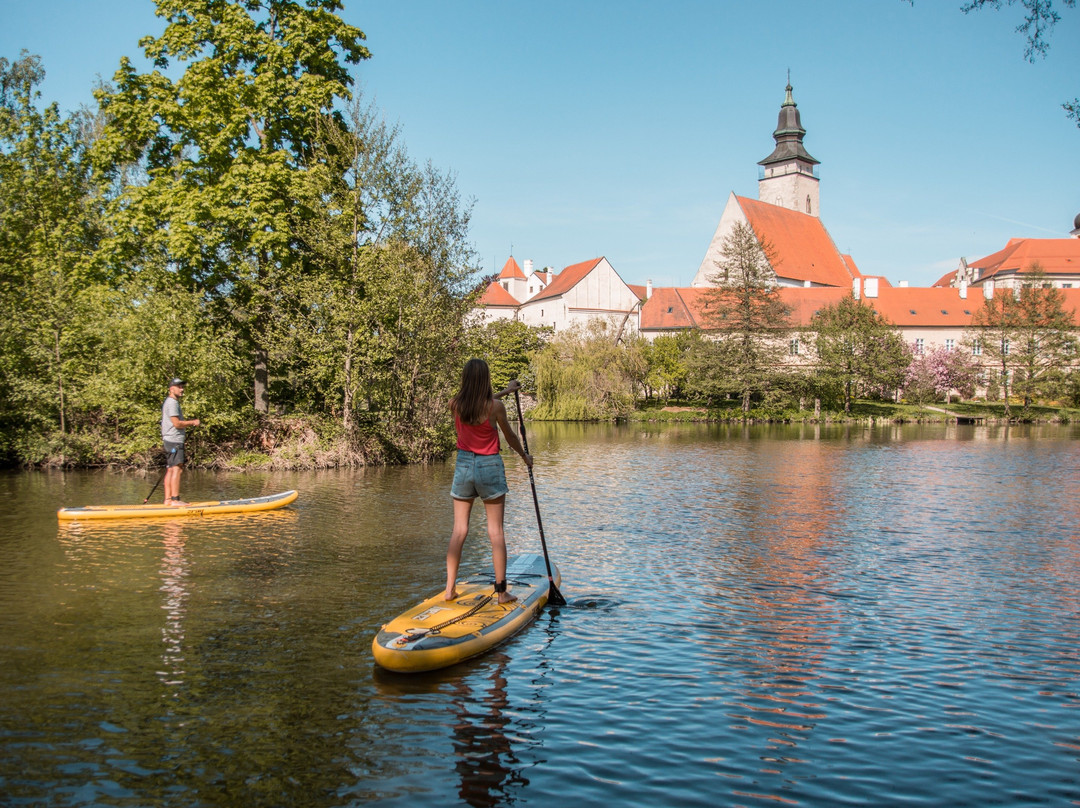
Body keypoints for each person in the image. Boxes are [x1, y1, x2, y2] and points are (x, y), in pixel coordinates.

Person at [445, 359, 532, 605]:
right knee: (496, 531)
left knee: (459, 530)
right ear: (485, 379)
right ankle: (502, 592)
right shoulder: (496, 407)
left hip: (463, 465)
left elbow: (475, 401)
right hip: (489, 466)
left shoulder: (455, 405)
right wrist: (524, 457)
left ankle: (449, 589)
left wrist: (507, 389)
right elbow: (511, 436)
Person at [161, 378, 200, 506]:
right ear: (172, 389)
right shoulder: (172, 403)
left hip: (170, 440)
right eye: (179, 387)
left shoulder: (170, 402)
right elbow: (177, 424)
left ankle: (168, 500)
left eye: (182, 387)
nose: (182, 389)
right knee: (177, 468)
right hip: (174, 440)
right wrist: (193, 422)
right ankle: (175, 500)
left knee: (171, 469)